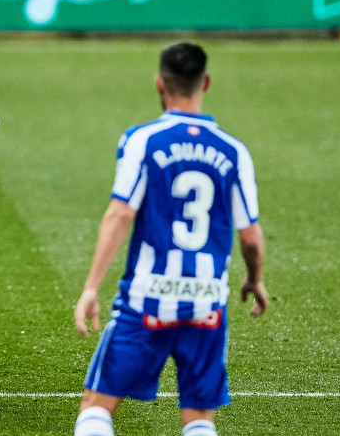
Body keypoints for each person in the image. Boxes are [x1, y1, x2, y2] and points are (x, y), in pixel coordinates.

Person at [72, 43, 268, 436]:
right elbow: (250, 237)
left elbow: (121, 213)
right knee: (198, 418)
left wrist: (91, 286)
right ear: (206, 82)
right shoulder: (234, 151)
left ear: (159, 84)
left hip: (148, 299)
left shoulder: (142, 140)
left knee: (97, 407)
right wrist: (255, 278)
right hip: (206, 301)